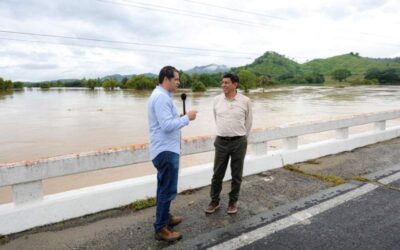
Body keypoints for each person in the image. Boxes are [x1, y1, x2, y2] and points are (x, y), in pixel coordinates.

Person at [148, 65, 197, 241]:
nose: (178, 82)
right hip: (166, 150)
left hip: (165, 149)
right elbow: (167, 126)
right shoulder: (161, 97)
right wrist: (186, 118)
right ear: (166, 79)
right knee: (167, 190)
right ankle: (161, 228)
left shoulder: (162, 96)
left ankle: (165, 218)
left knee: (164, 187)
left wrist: (180, 118)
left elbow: (168, 121)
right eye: (175, 79)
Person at [205, 73, 253, 215]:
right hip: (221, 141)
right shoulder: (216, 100)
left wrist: (242, 138)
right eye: (222, 83)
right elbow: (216, 119)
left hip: (239, 141)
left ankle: (233, 201)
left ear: (235, 84)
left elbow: (248, 122)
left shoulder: (245, 101)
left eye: (226, 83)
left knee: (236, 174)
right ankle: (215, 200)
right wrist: (224, 132)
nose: (223, 85)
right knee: (217, 174)